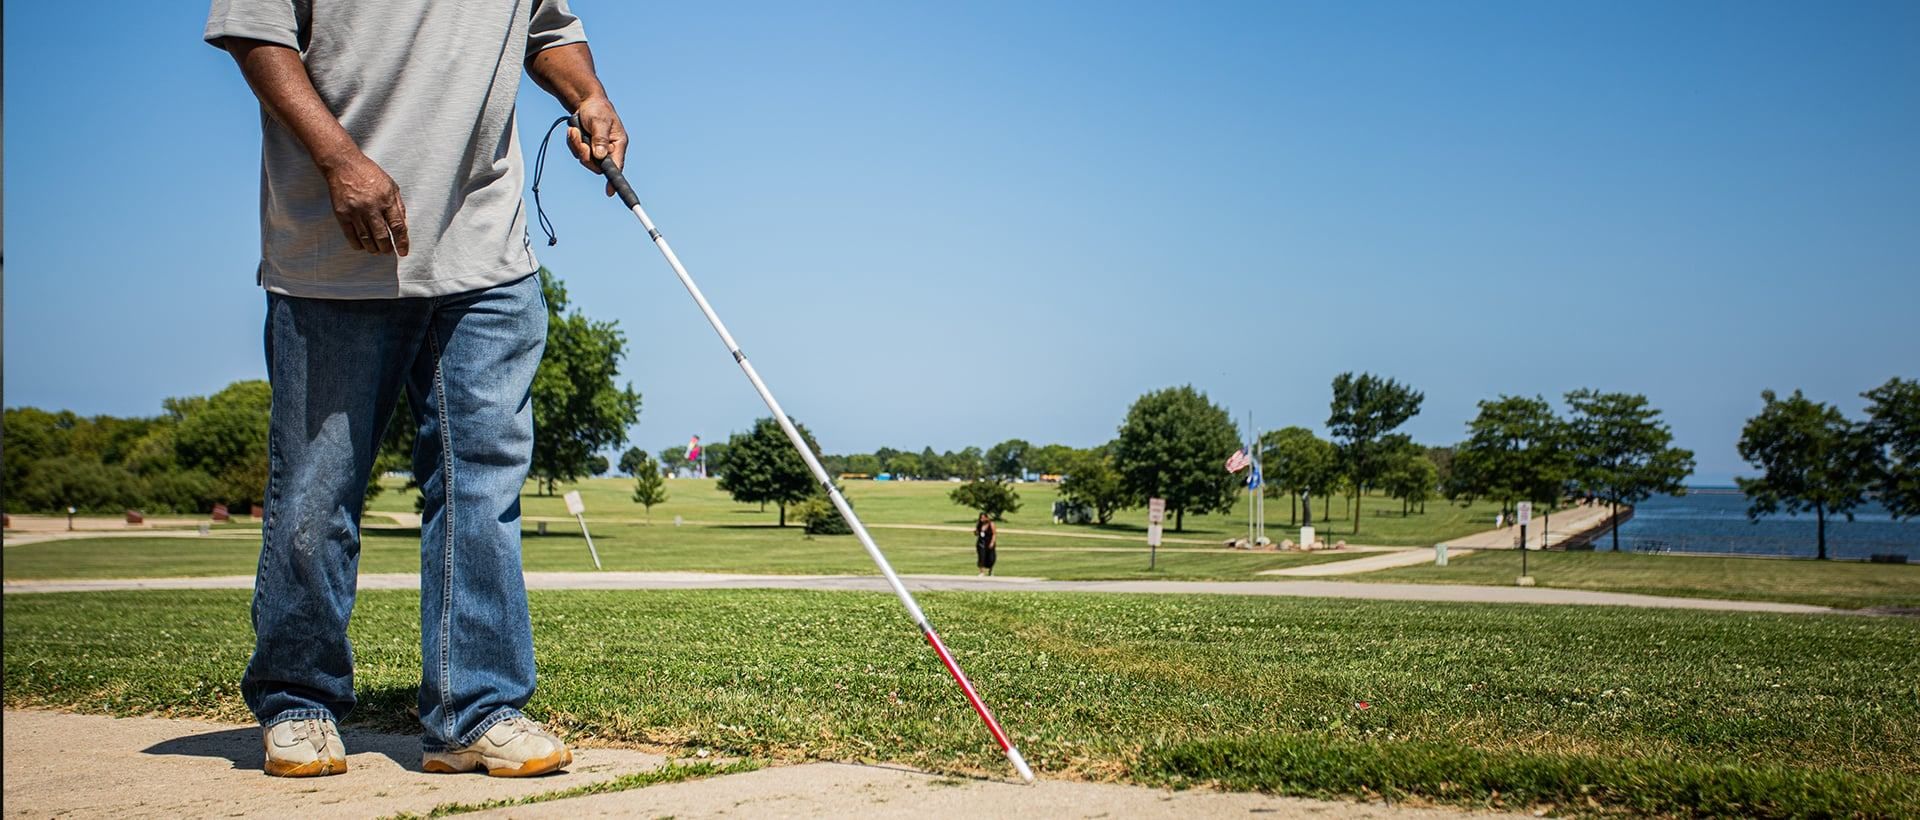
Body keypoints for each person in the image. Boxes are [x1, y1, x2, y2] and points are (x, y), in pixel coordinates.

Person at [204, 0, 628, 778]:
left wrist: (587, 94)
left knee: (483, 486)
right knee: (315, 488)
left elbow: (549, 30)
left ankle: (477, 710)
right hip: (334, 253)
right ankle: (298, 698)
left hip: (487, 253)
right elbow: (253, 29)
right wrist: (338, 159)